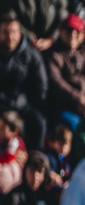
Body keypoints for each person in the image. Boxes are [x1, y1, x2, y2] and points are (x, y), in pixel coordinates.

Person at [45, 14, 85, 132]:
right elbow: (56, 81)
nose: (73, 35)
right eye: (69, 30)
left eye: (77, 31)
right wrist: (78, 98)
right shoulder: (54, 54)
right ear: (60, 31)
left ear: (83, 35)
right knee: (75, 126)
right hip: (64, 104)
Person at [0, 10, 49, 148]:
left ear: (20, 32)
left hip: (23, 104)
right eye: (5, 32)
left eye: (13, 31)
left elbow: (41, 86)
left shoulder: (31, 54)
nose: (10, 37)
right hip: (1, 104)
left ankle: (34, 159)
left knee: (39, 123)